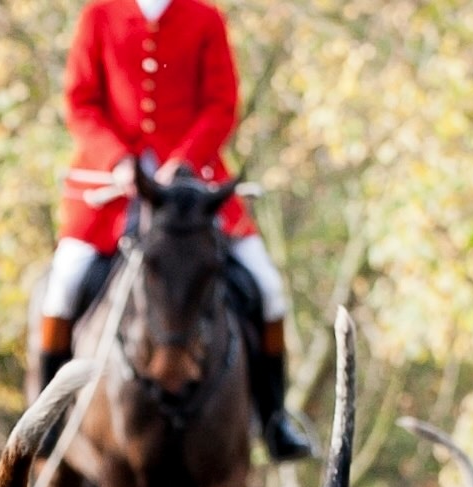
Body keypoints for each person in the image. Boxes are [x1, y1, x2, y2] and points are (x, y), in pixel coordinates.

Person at [41, 0, 315, 462]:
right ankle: (48, 423)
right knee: (62, 287)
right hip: (111, 190)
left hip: (193, 193)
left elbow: (221, 105)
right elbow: (81, 103)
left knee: (268, 286)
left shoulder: (205, 18)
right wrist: (119, 161)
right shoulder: (99, 16)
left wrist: (182, 162)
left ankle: (274, 421)